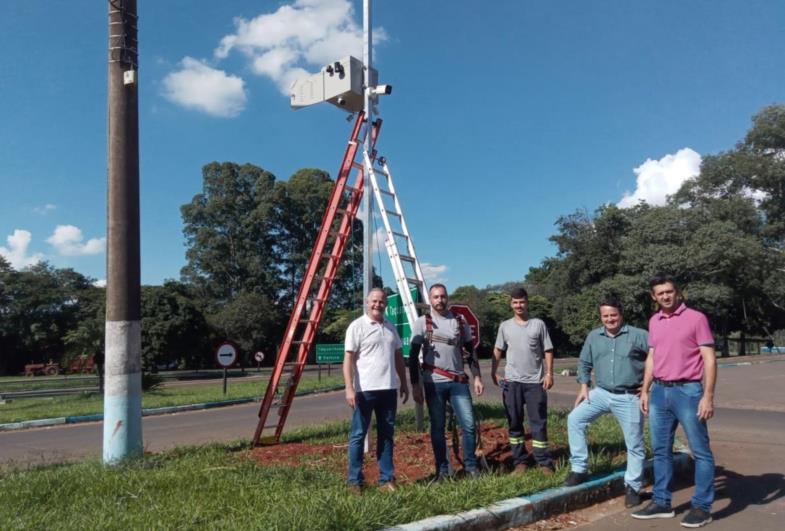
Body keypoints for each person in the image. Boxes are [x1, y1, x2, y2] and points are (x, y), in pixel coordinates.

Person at [632, 275, 717, 528]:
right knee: (660, 450)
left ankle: (702, 507)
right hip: (659, 392)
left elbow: (709, 359)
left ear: (677, 292)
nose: (666, 296)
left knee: (700, 451)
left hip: (689, 392)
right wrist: (645, 390)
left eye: (669, 291)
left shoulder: (696, 318)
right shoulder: (654, 321)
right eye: (660, 293)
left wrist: (708, 396)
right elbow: (652, 357)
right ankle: (662, 502)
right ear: (653, 297)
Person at [563, 296, 649, 508]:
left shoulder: (639, 336)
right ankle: (579, 469)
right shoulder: (594, 336)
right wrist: (584, 386)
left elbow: (658, 359)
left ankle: (633, 487)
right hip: (600, 392)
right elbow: (584, 362)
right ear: (601, 317)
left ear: (621, 315)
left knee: (635, 443)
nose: (610, 319)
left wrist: (648, 387)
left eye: (613, 315)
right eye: (605, 316)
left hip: (629, 396)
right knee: (575, 419)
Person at [409, 283, 484, 480]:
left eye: (442, 296)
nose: (439, 300)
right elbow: (413, 355)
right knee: (437, 427)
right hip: (433, 382)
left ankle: (470, 468)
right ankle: (442, 471)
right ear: (430, 300)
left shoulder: (459, 321)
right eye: (435, 297)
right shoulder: (422, 323)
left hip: (458, 382)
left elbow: (470, 351)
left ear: (447, 298)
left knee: (468, 425)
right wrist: (415, 385)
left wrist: (477, 376)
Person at [343, 288, 409, 493]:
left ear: (385, 304)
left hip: (388, 390)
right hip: (365, 391)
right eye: (374, 301)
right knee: (358, 435)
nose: (377, 305)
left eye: (381, 302)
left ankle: (386, 479)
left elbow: (398, 356)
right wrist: (349, 387)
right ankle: (355, 481)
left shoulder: (390, 327)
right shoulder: (357, 327)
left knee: (386, 434)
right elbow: (348, 359)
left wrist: (404, 382)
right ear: (366, 301)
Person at [491, 287, 555, 474]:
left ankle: (544, 461)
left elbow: (548, 350)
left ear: (527, 303)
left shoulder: (538, 324)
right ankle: (520, 461)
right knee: (514, 422)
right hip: (512, 382)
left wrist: (549, 373)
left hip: (535, 382)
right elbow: (498, 350)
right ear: (511, 304)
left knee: (538, 422)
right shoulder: (505, 326)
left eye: (522, 302)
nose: (519, 305)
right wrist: (494, 372)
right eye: (515, 302)